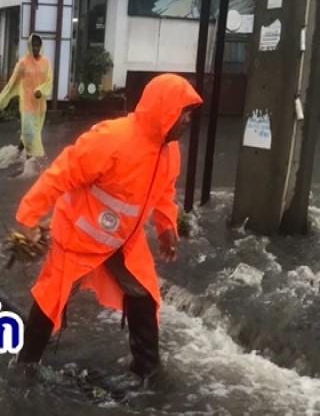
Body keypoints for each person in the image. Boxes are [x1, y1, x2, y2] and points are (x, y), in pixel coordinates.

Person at [11, 73, 203, 385]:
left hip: (123, 241)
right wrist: (29, 216)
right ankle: (25, 365)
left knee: (144, 296)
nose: (187, 121)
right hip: (78, 235)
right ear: (164, 111)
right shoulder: (112, 138)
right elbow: (62, 173)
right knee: (51, 299)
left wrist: (167, 226)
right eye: (183, 113)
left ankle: (147, 371)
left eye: (189, 114)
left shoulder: (169, 151)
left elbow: (164, 192)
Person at [0, 34, 53, 163]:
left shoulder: (46, 62)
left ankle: (18, 150)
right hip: (27, 104)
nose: (36, 48)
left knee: (33, 131)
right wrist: (2, 100)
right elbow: (12, 82)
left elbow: (49, 81)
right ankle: (29, 162)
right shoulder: (23, 63)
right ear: (29, 46)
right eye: (34, 45)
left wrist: (40, 91)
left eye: (38, 45)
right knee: (30, 133)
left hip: (40, 105)